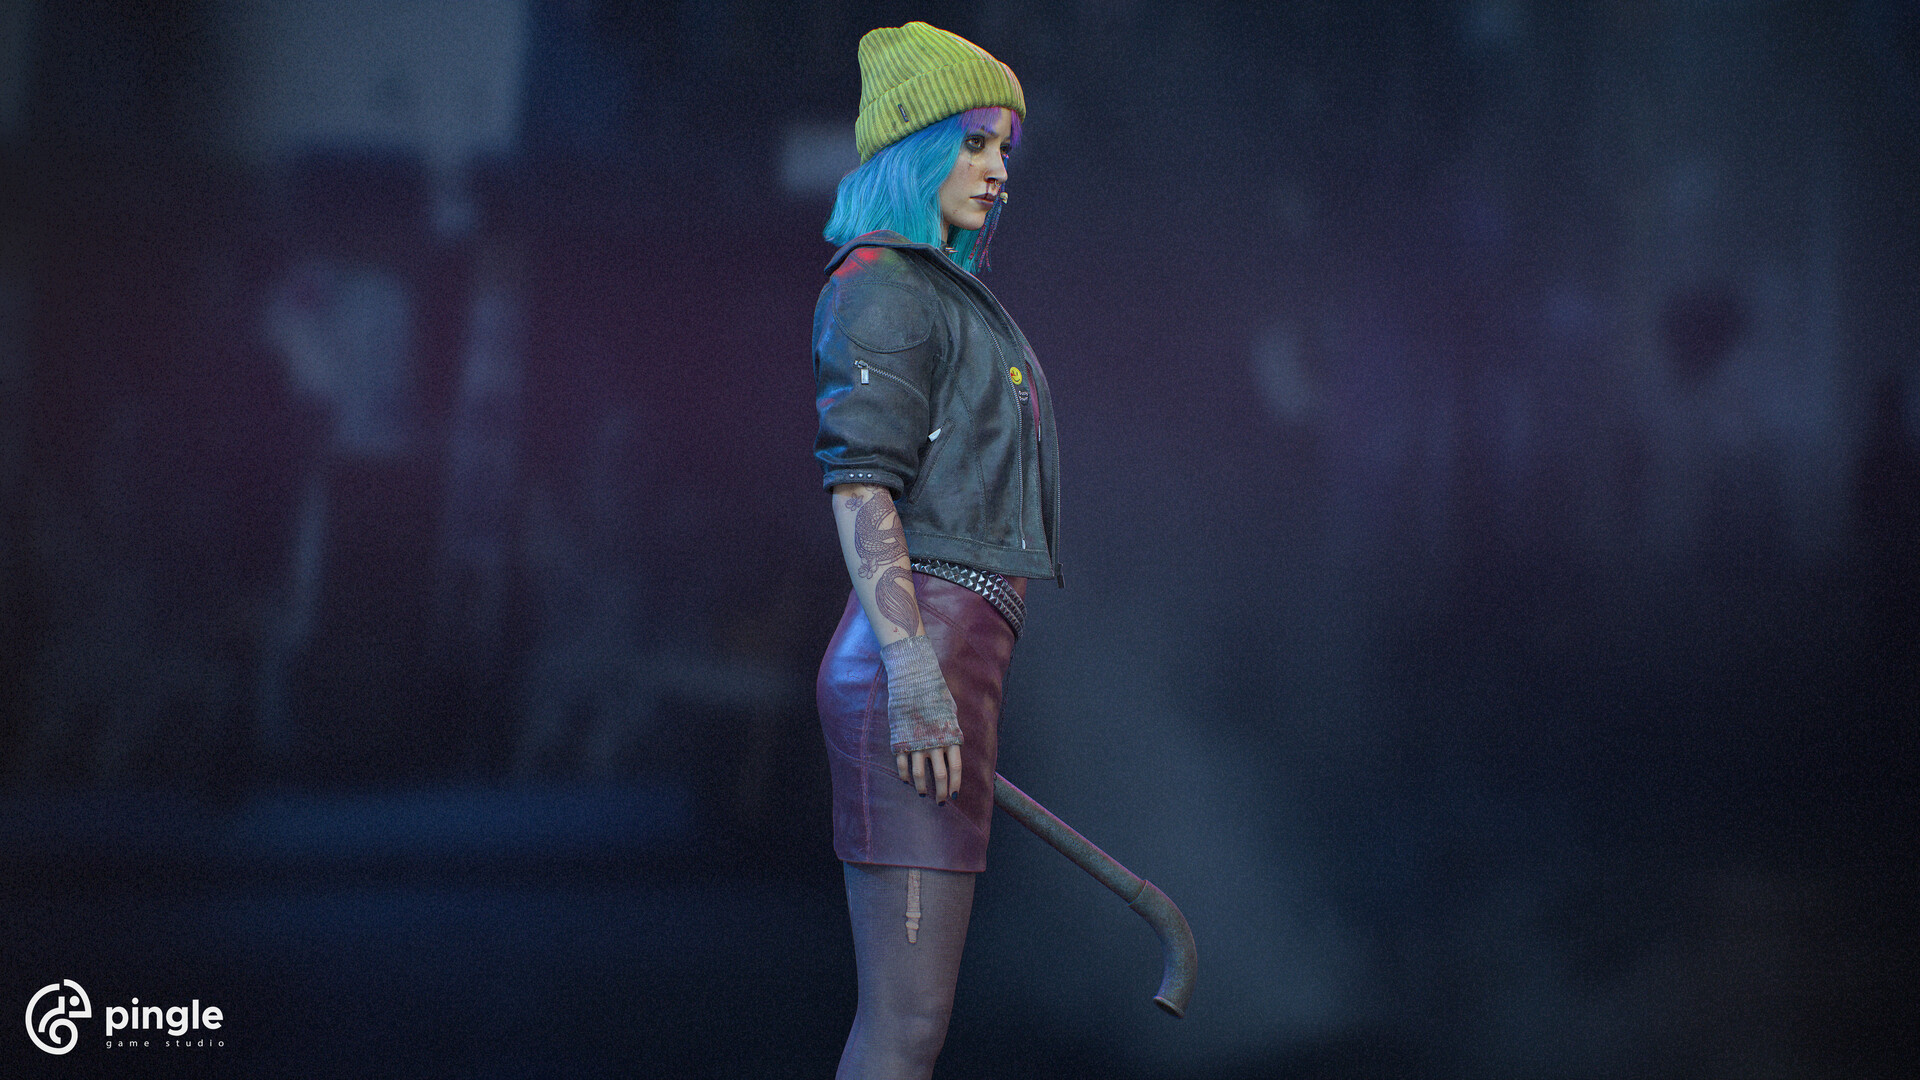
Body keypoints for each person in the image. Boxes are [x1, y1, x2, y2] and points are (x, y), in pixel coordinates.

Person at [811, 22, 1061, 1080]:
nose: (998, 169)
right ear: (914, 150)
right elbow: (860, 483)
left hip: (947, 660)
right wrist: (915, 673)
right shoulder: (881, 283)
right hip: (914, 657)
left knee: (915, 1028)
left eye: (1004, 147)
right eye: (972, 142)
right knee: (903, 1029)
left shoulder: (934, 288)